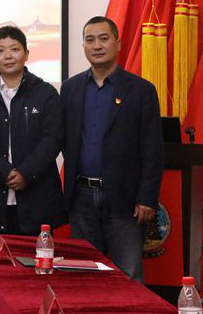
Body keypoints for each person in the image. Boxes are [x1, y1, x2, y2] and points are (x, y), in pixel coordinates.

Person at [61, 16, 163, 282]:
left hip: (125, 199)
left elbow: (152, 150)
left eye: (104, 39)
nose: (97, 45)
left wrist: (147, 197)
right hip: (81, 197)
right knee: (84, 274)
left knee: (128, 275)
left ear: (118, 43)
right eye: (90, 40)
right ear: (83, 46)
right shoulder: (70, 89)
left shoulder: (141, 91)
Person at [0, 25, 66, 235]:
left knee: (37, 255)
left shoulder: (45, 92)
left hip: (38, 197)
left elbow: (53, 139)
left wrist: (25, 173)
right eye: (0, 50)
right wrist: (4, 172)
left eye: (15, 49)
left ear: (26, 54)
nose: (8, 56)